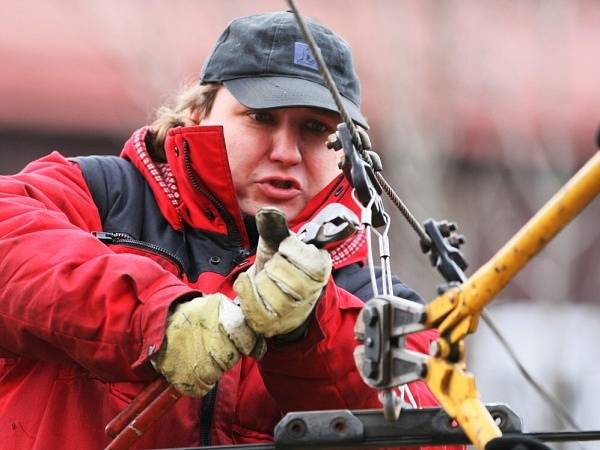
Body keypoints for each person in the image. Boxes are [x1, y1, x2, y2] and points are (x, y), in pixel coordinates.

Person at [0, 10, 465, 450]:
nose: (287, 151)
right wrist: (159, 318)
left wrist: (307, 330)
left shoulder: (372, 296)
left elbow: (437, 430)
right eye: (261, 118)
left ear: (343, 150)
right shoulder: (101, 195)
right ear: (198, 113)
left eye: (314, 128)